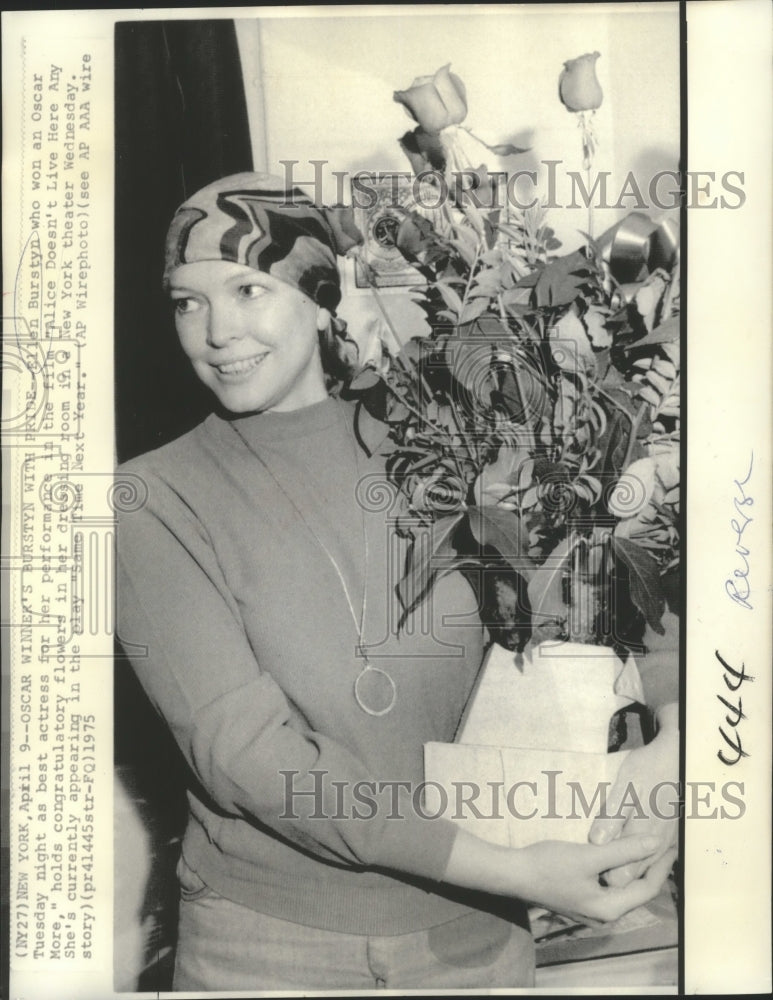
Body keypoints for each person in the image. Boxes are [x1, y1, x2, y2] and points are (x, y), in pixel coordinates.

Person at [116, 172, 678, 991]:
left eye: (246, 288)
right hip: (271, 950)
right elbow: (244, 756)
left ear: (319, 296)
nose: (216, 332)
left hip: (478, 940)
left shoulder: (445, 431)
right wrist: (516, 872)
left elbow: (621, 584)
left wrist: (669, 743)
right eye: (185, 302)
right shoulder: (147, 498)